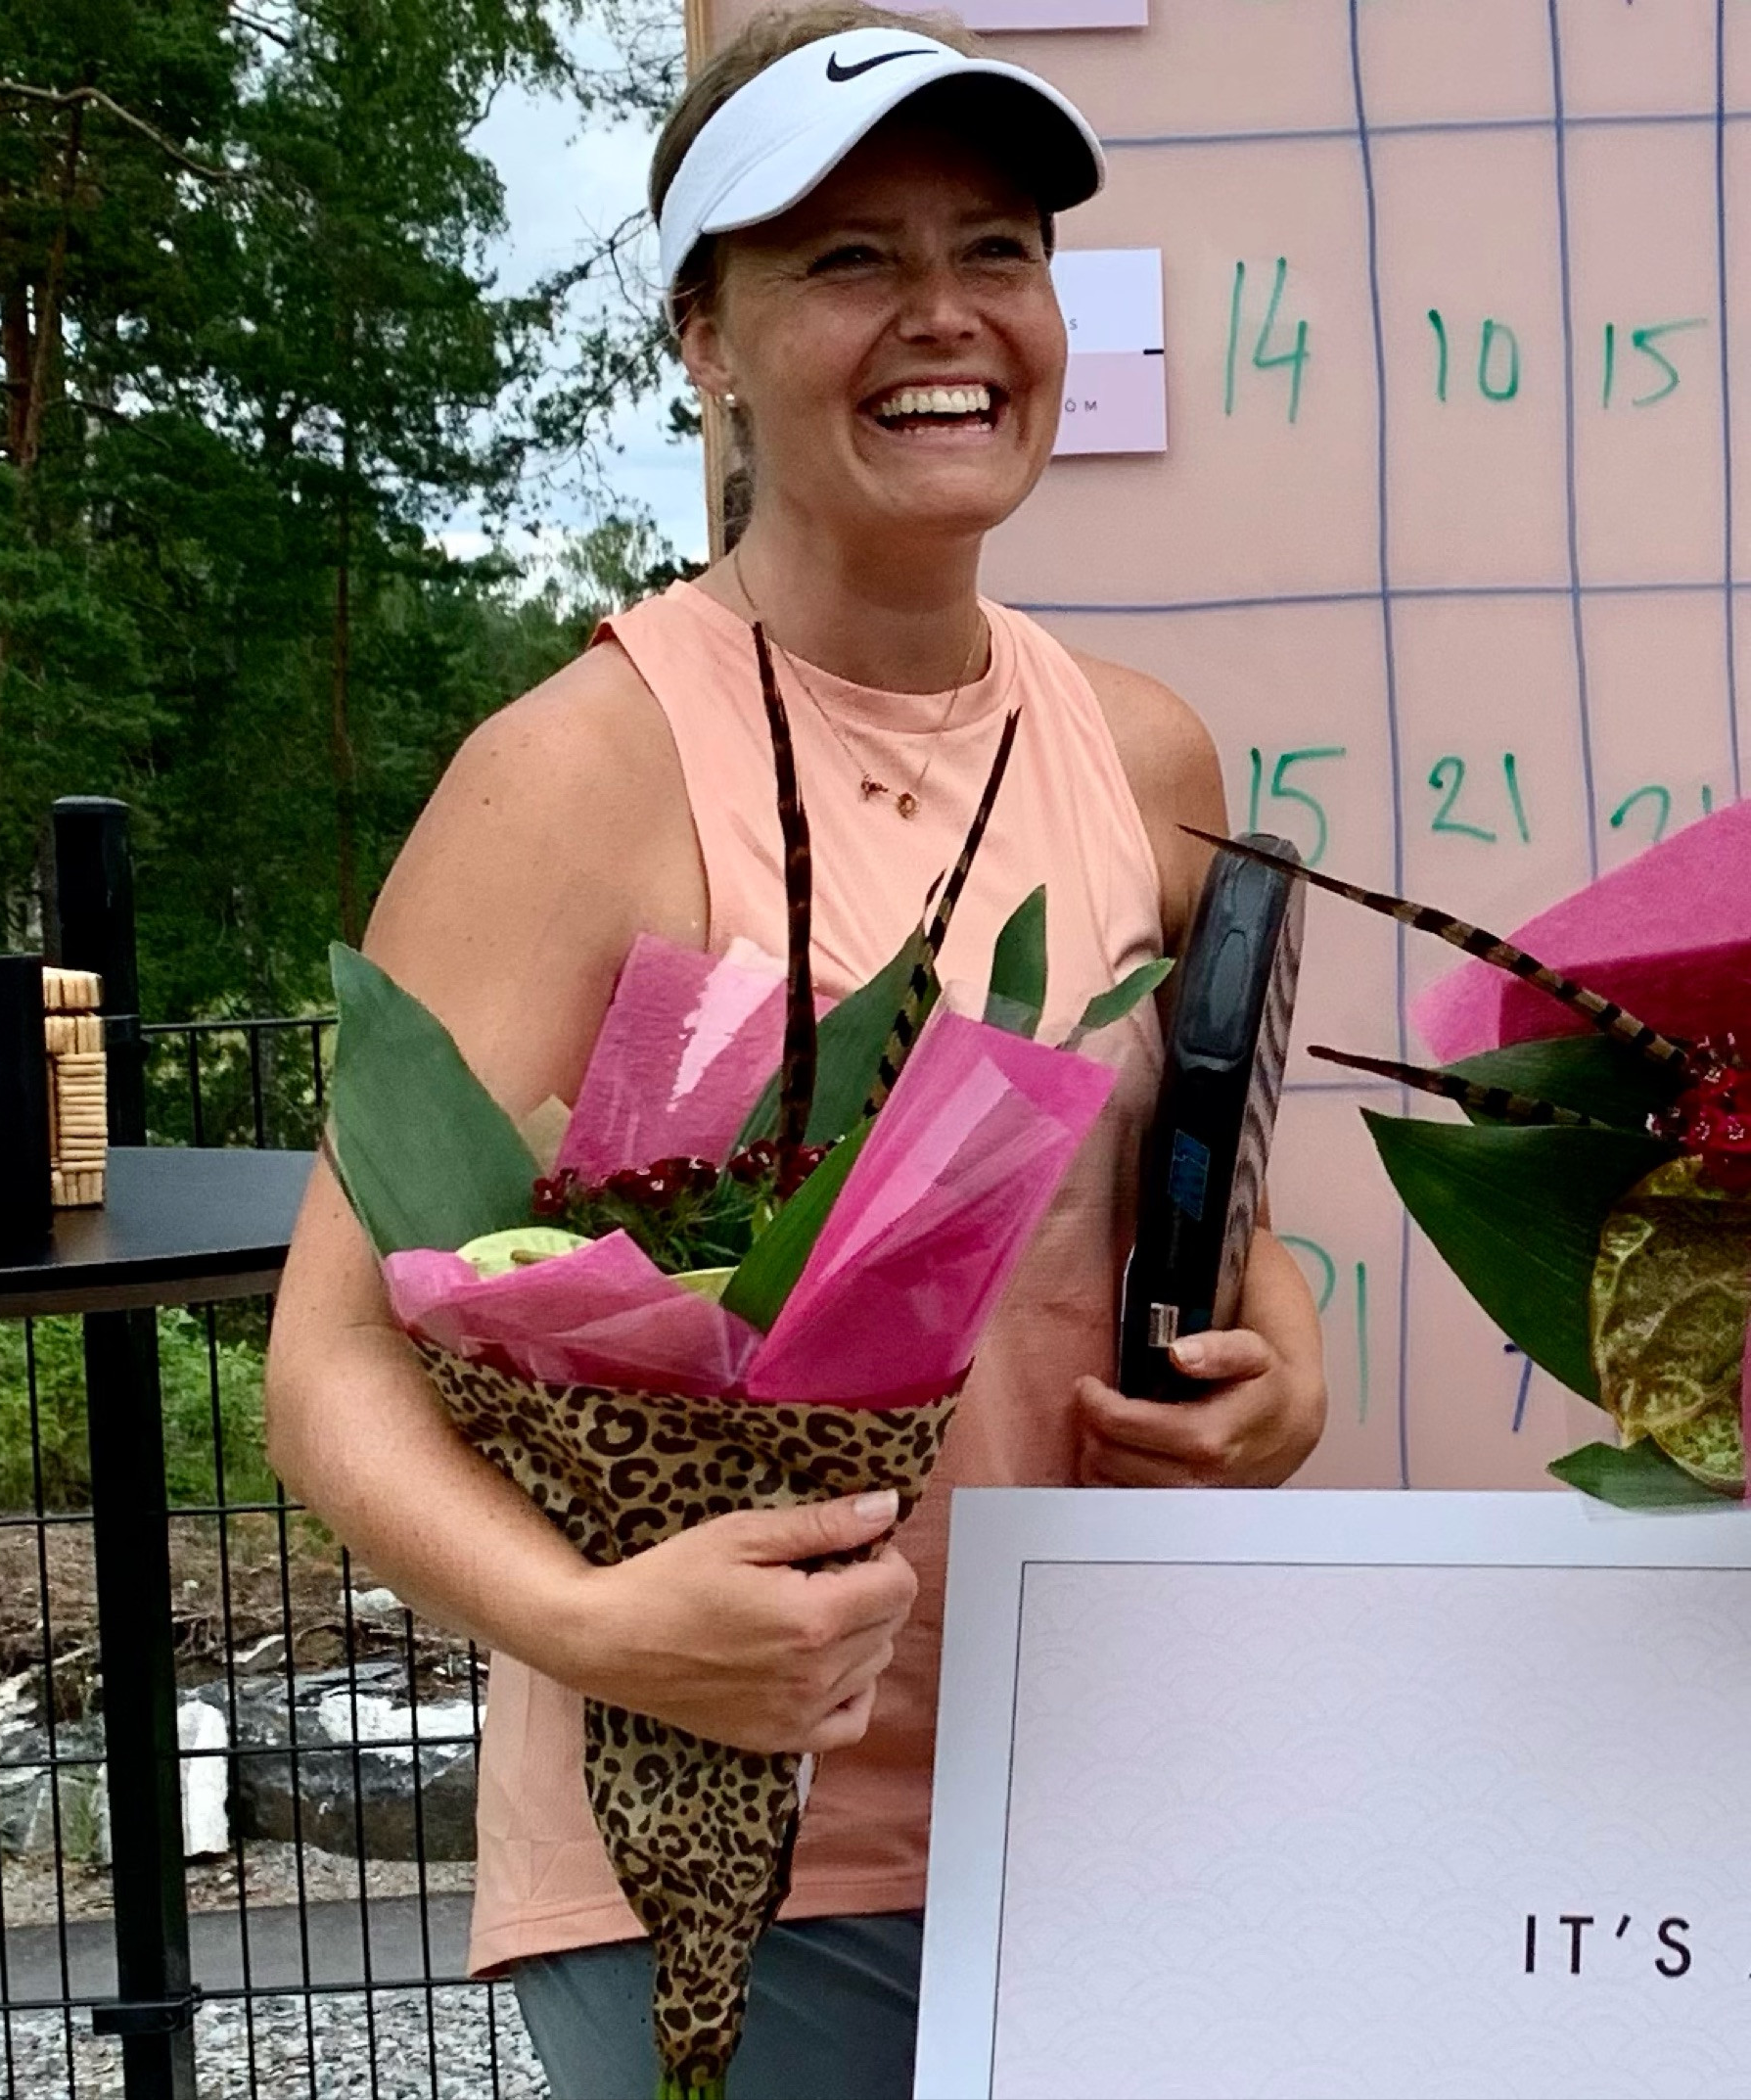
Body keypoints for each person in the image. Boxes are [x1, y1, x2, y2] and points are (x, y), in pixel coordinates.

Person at [264, 8, 1328, 2094]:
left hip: (1114, 1797)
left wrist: (1273, 1366)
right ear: (706, 339)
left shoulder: (1147, 756)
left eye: (997, 247)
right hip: (720, 1860)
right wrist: (596, 1623)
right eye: (849, 259)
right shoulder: (573, 775)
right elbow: (330, 1366)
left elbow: (1211, 1221)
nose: (945, 314)